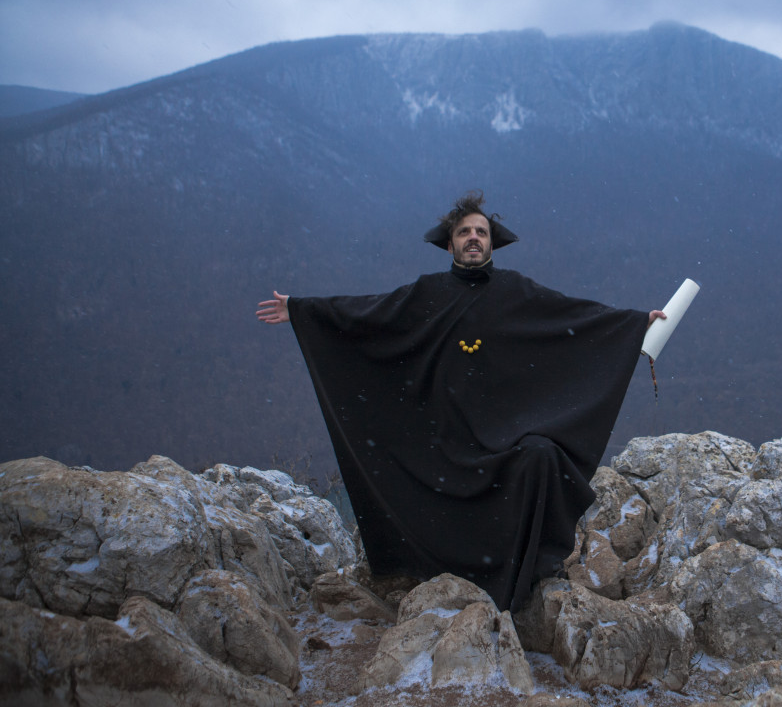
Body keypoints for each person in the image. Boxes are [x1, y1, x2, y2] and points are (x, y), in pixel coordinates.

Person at [257, 191, 665, 611]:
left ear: (491, 243)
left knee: (542, 456)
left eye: (481, 232)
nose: (473, 238)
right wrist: (303, 312)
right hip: (440, 437)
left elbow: (575, 319)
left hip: (504, 435)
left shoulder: (516, 292)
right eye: (464, 232)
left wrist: (634, 324)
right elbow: (368, 315)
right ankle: (435, 569)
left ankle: (524, 577)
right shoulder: (427, 294)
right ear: (449, 244)